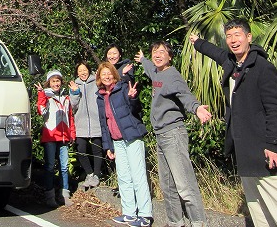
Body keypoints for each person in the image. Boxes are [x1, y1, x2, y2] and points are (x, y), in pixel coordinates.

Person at [190, 19, 277, 227]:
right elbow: (216, 52)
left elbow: (275, 110)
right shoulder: (232, 63)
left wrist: (274, 145)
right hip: (244, 149)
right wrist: (197, 42)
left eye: (238, 35)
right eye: (229, 36)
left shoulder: (262, 68)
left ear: (249, 37)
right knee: (257, 207)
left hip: (264, 149)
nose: (233, 40)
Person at [135, 41, 211, 227]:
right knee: (168, 185)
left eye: (162, 52)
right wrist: (143, 59)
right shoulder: (157, 72)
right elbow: (150, 68)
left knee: (184, 184)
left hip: (173, 133)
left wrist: (196, 108)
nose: (158, 55)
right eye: (155, 52)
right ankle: (175, 221)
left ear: (170, 56)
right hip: (161, 134)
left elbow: (185, 95)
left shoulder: (172, 75)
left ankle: (198, 222)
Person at [96, 61, 153, 227]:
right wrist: (108, 146)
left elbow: (136, 110)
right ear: (99, 77)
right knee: (124, 177)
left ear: (115, 75)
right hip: (117, 140)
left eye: (109, 73)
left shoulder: (122, 89)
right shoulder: (100, 96)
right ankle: (129, 213)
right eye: (103, 74)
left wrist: (133, 97)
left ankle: (145, 215)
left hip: (132, 137)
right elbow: (103, 123)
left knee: (138, 176)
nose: (106, 77)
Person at [36, 69, 76, 208]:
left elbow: (70, 116)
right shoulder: (45, 96)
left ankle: (65, 194)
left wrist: (72, 134)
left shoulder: (66, 96)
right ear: (49, 83)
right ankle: (49, 195)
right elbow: (41, 111)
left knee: (64, 167)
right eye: (53, 81)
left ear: (61, 82)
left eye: (58, 80)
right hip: (50, 135)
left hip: (64, 136)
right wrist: (41, 94)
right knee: (49, 167)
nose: (56, 84)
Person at [69, 61, 103, 188]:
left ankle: (97, 175)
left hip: (96, 122)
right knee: (81, 150)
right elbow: (72, 106)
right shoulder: (74, 85)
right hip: (81, 123)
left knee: (97, 150)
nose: (83, 73)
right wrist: (74, 93)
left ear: (89, 70)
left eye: (85, 70)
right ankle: (89, 174)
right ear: (77, 73)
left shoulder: (97, 82)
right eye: (80, 71)